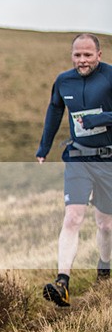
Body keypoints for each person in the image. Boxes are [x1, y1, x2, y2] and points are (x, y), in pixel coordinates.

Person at [36, 33, 112, 307]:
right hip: (78, 157)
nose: (82, 60)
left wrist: (101, 118)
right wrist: (44, 147)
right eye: (78, 55)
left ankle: (104, 269)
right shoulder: (63, 80)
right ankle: (62, 282)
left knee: (105, 225)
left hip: (107, 160)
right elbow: (54, 111)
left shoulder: (110, 77)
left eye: (88, 55)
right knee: (73, 218)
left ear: (99, 56)